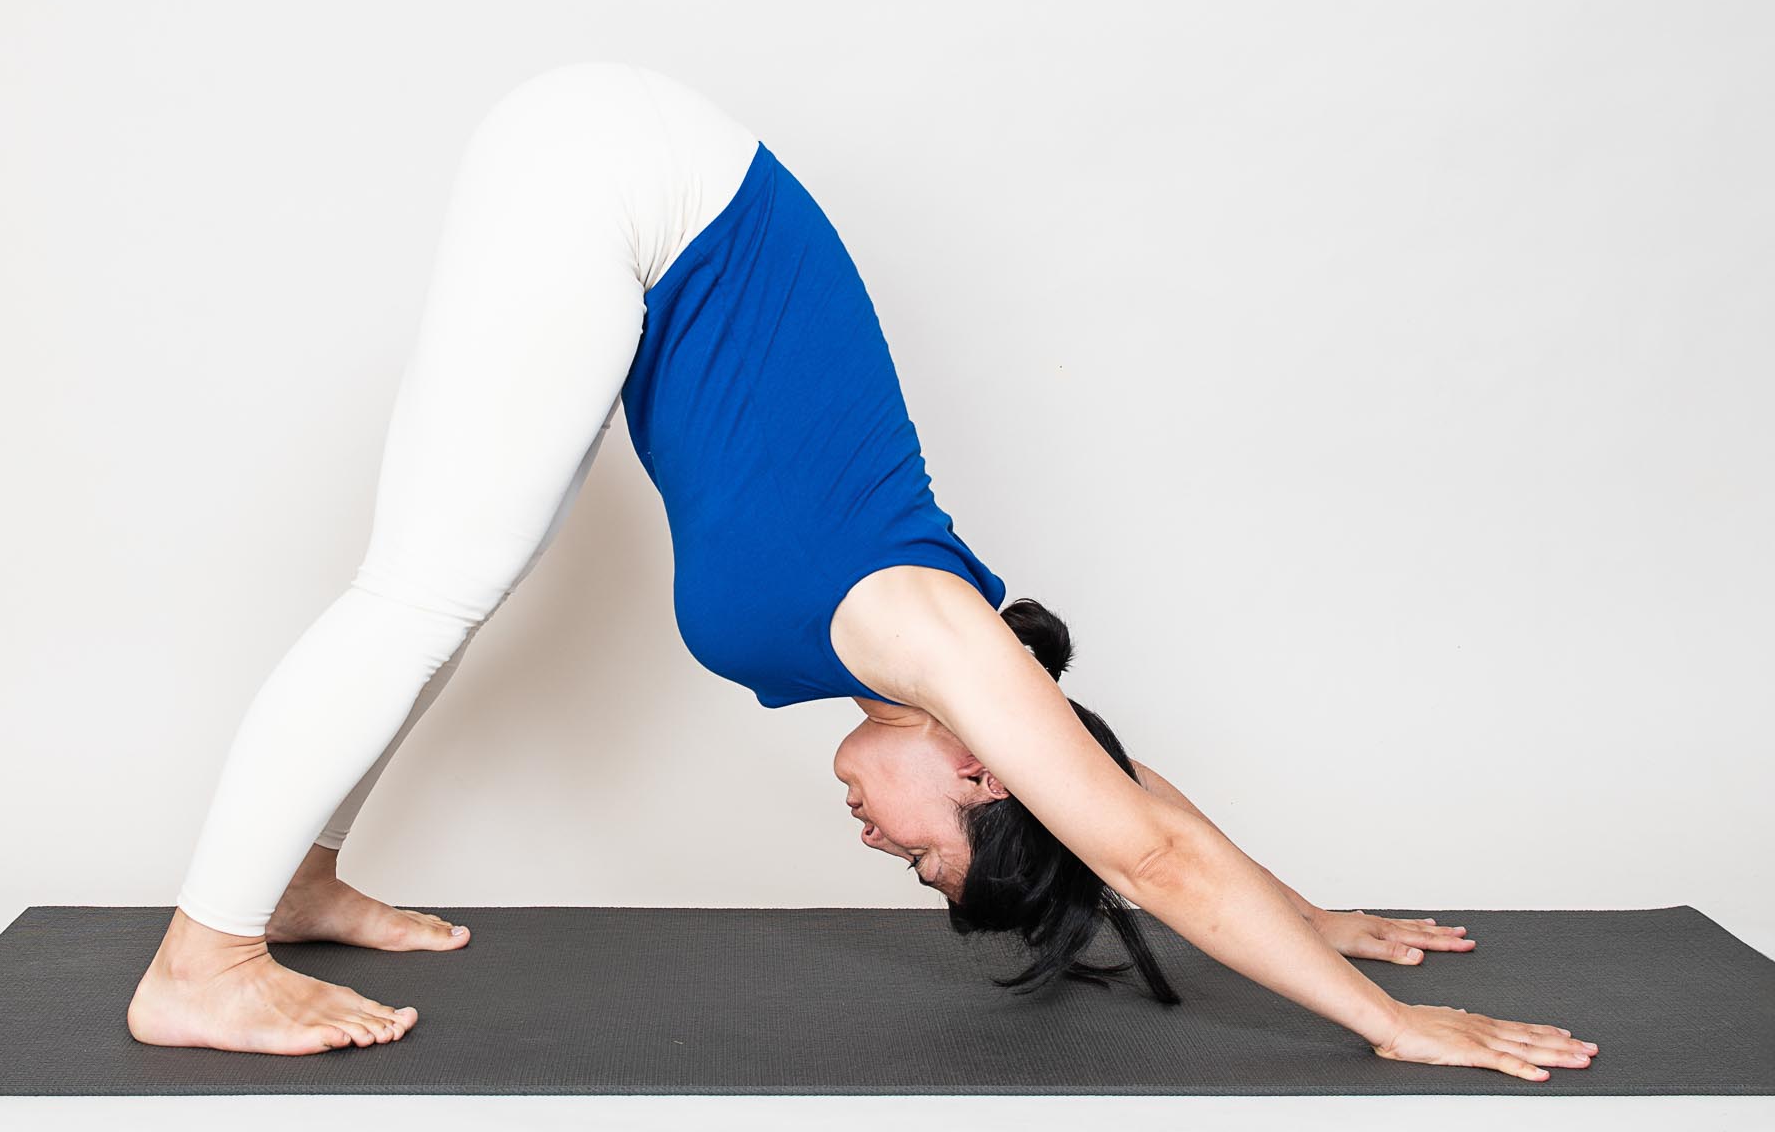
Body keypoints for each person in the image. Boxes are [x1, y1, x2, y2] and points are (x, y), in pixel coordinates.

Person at [125, 62, 1598, 1081]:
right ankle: (202, 965)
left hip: (646, 192)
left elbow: (1122, 804)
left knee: (456, 579)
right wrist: (1381, 1026)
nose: (879, 851)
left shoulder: (956, 673)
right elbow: (1140, 847)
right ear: (975, 774)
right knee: (427, 585)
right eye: (926, 857)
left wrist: (1308, 909)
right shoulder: (931, 633)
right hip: (636, 181)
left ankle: (298, 879)